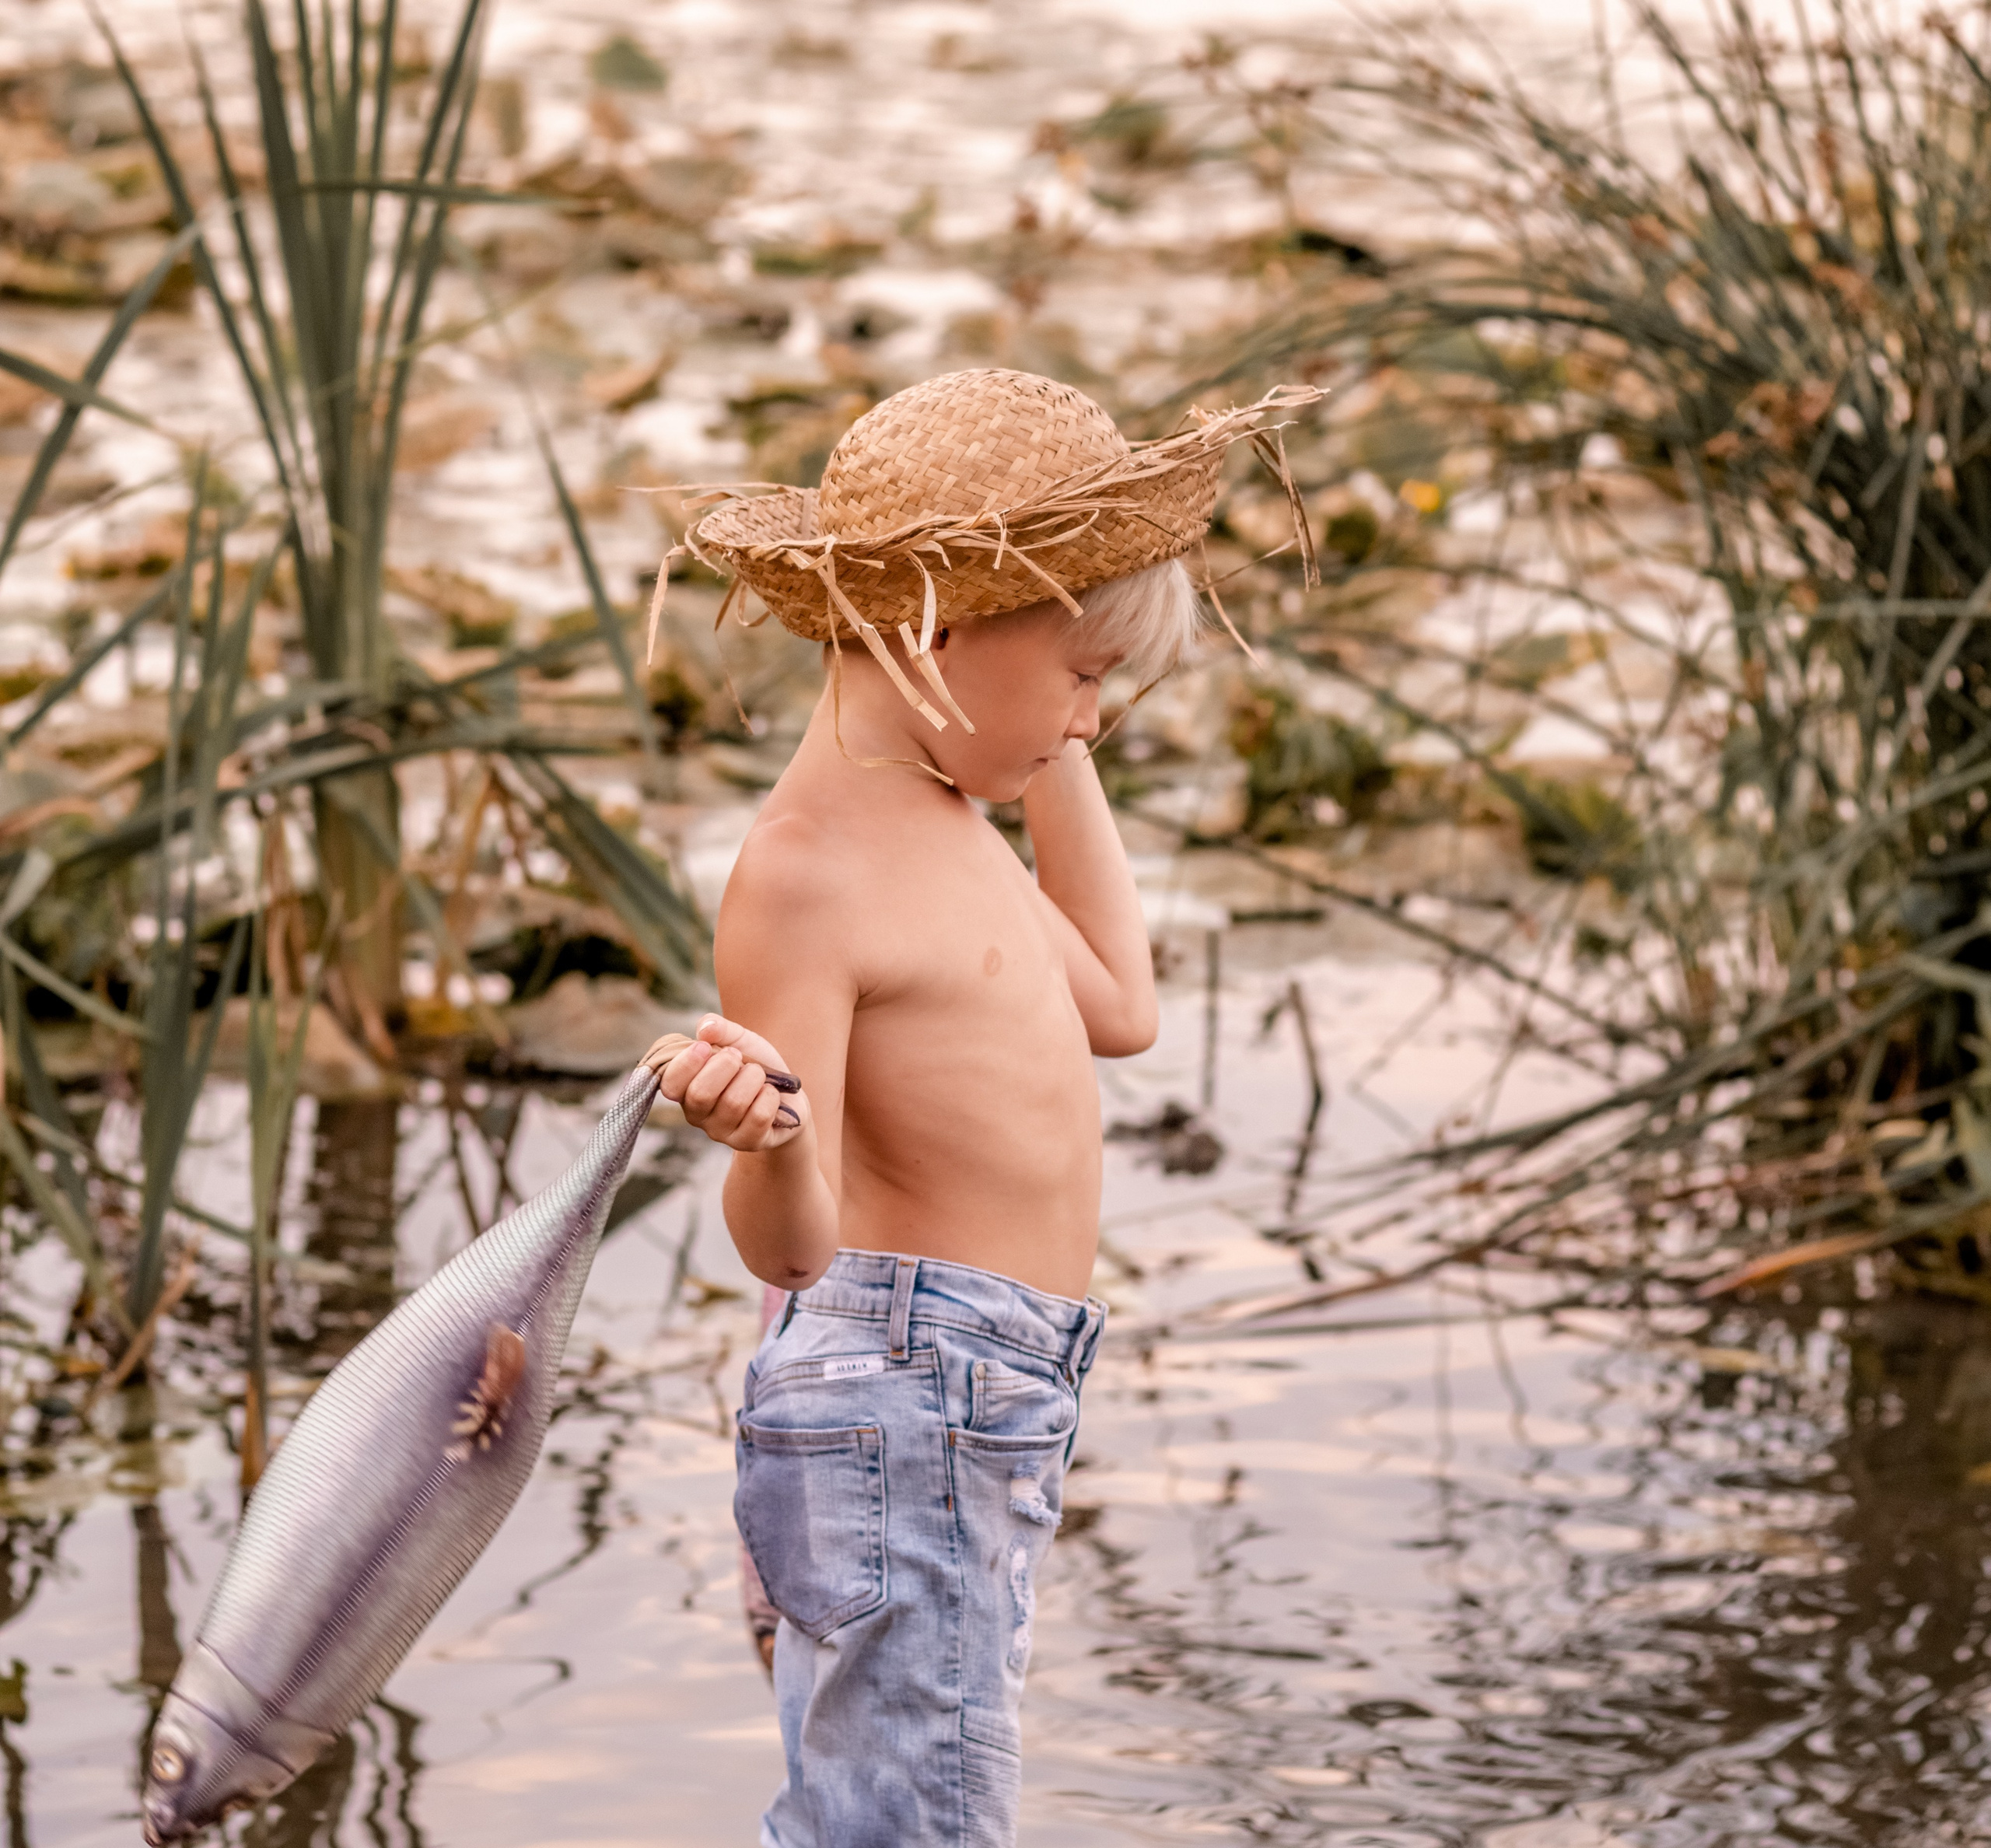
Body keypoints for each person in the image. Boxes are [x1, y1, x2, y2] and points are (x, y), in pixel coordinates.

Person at [642, 368, 1317, 1847]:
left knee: (906, 1806)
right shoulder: (812, 869)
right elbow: (789, 1250)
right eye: (1081, 676)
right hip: (906, 1383)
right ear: (939, 626)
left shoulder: (948, 817)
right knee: (904, 1824)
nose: (1092, 722)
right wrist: (768, 1136)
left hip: (984, 1395)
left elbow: (1120, 1008)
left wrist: (1047, 754)